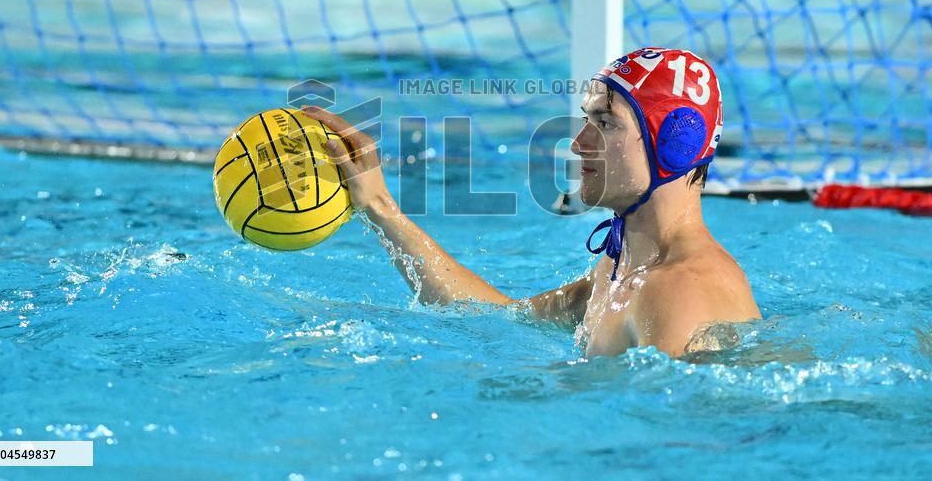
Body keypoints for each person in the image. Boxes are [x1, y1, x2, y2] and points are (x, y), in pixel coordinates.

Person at [301, 47, 761, 358]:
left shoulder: (677, 292)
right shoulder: (622, 269)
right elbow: (498, 317)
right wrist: (379, 206)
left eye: (605, 122)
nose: (578, 143)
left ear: (674, 145)